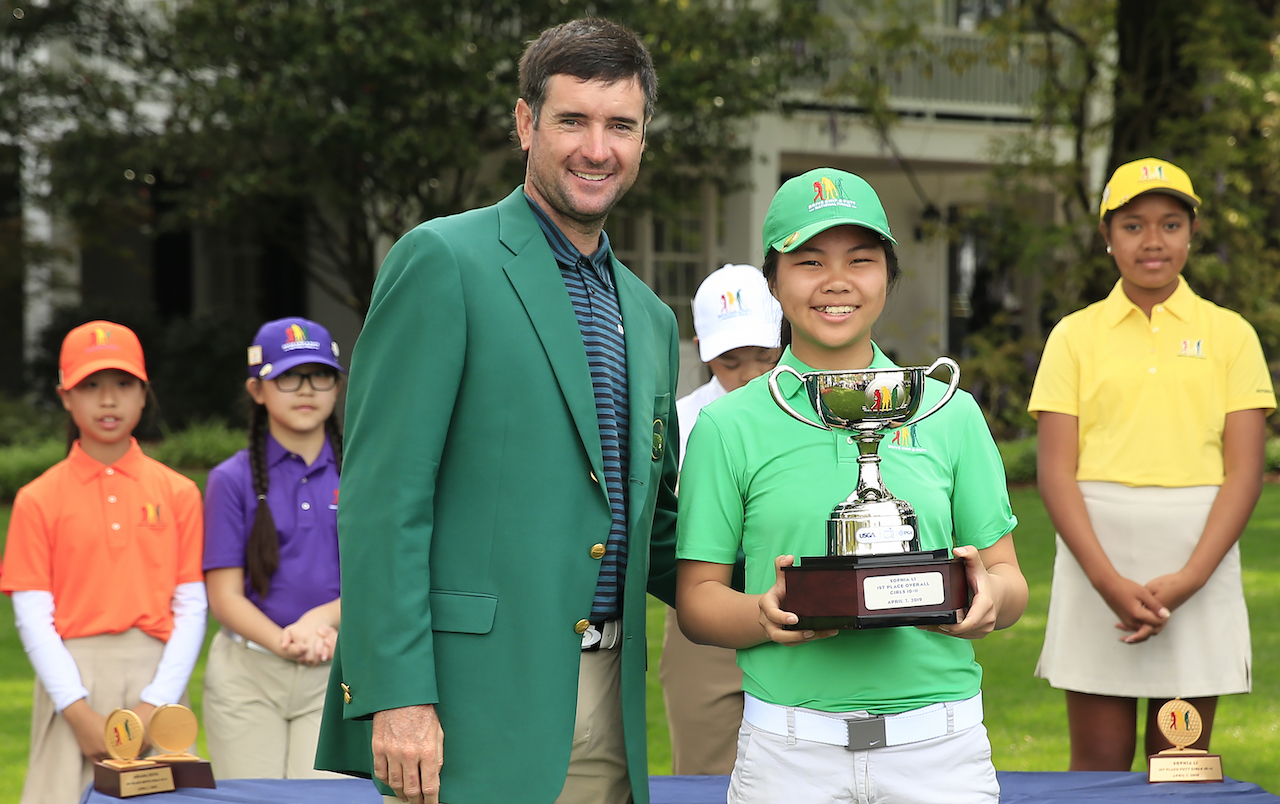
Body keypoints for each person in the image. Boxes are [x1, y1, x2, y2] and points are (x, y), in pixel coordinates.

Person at [315, 18, 680, 804]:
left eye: (620, 125)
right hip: (470, 700)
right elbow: (385, 499)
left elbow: (654, 523)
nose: (597, 148)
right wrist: (398, 693)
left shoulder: (651, 318)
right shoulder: (443, 260)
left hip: (613, 701)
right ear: (525, 124)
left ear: (643, 136)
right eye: (572, 120)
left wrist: (805, 583)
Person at [676, 168, 1027, 804]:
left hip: (939, 749)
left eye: (860, 259)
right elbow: (698, 599)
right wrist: (762, 613)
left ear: (888, 278)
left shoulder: (948, 411)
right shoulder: (728, 426)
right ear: (774, 284)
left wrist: (987, 600)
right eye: (809, 261)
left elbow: (1009, 576)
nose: (836, 281)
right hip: (789, 753)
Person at [1029, 157, 1275, 770]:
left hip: (1199, 560)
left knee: (1181, 765)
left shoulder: (1231, 335)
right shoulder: (1074, 336)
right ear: (1108, 237)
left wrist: (1190, 578)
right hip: (1097, 565)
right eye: (1133, 225)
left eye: (1170, 223)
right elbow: (1056, 472)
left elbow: (1245, 472)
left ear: (1192, 232)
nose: (1153, 241)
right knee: (1099, 767)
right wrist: (1107, 581)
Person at [1, 320, 206, 804]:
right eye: (90, 386)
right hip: (70, 677)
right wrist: (75, 710)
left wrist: (157, 702)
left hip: (158, 674)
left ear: (143, 394)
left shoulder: (178, 492)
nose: (108, 400)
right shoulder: (37, 498)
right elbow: (32, 614)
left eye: (122, 384)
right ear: (65, 397)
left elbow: (193, 606)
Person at [202, 317, 345, 778]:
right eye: (288, 376)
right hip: (249, 671)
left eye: (319, 375)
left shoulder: (361, 472)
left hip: (336, 665)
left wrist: (318, 621)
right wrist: (285, 640)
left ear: (337, 386)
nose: (306, 389)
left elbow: (380, 576)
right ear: (257, 390)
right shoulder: (230, 479)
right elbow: (224, 596)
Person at [660, 263, 781, 775]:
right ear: (701, 347)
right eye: (730, 360)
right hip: (704, 627)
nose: (749, 374)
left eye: (763, 356)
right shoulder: (679, 422)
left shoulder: (825, 414)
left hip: (804, 616)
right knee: (705, 776)